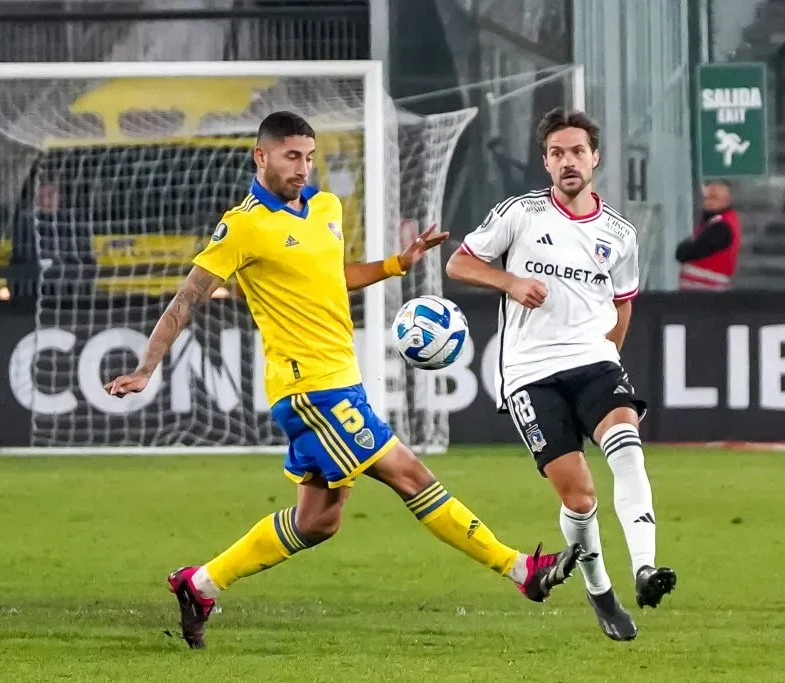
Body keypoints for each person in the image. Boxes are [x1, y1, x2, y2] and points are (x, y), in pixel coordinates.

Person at [104, 111, 580, 650]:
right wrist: (147, 365)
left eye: (309, 157)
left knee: (318, 522)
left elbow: (335, 275)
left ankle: (199, 583)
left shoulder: (324, 208)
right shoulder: (243, 226)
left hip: (339, 381)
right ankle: (521, 570)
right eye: (291, 156)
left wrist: (396, 264)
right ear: (261, 157)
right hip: (310, 389)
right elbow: (188, 297)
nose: (303, 168)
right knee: (411, 475)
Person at [445, 106, 676, 642]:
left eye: (577, 151)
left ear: (595, 158)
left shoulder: (619, 233)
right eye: (556, 153)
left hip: (593, 361)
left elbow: (623, 304)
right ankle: (600, 591)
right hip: (530, 373)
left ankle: (645, 566)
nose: (567, 161)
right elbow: (459, 263)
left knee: (626, 441)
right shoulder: (520, 214)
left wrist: (609, 356)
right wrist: (508, 282)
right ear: (545, 162)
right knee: (580, 499)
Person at [674, 181, 741, 291]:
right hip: (699, 292)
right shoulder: (712, 222)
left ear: (726, 200)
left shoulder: (722, 226)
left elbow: (689, 251)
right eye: (706, 198)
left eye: (713, 197)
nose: (708, 202)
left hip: (706, 292)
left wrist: (685, 248)